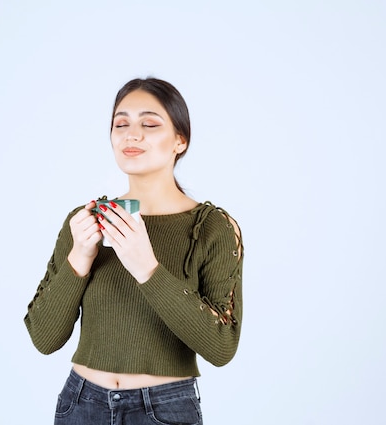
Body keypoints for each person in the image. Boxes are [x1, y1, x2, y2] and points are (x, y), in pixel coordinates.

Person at [24, 77, 244, 425]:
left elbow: (221, 347)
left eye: (150, 124)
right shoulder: (86, 221)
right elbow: (44, 337)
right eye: (121, 124)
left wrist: (147, 268)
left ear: (180, 140)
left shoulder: (211, 227)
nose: (132, 134)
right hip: (80, 404)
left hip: (165, 409)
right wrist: (80, 257)